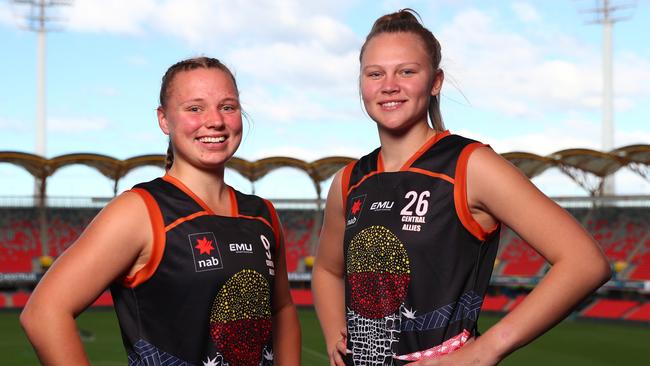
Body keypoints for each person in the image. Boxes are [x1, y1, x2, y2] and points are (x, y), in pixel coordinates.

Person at [312, 9, 610, 366]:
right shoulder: (349, 180)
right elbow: (327, 270)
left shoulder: (471, 165)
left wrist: (486, 350)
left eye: (407, 71)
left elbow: (585, 262)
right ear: (362, 84)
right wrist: (334, 335)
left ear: (435, 81)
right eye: (375, 74)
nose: (389, 85)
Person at [20, 57, 301, 366]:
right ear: (164, 119)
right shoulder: (139, 210)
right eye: (195, 108)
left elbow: (282, 308)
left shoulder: (262, 214)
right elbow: (43, 313)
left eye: (228, 107)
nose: (215, 121)